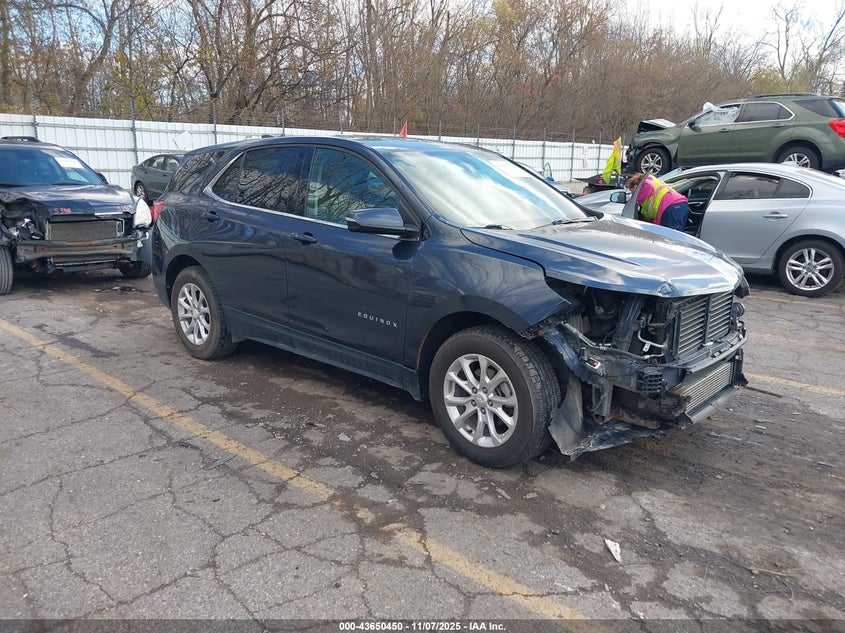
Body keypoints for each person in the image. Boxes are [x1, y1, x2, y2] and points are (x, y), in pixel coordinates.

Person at [625, 172, 690, 232]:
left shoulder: (646, 183)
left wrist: (637, 193)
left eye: (632, 191)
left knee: (671, 237)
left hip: (672, 207)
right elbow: (647, 213)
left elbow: (646, 190)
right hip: (678, 205)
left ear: (635, 186)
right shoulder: (651, 181)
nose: (633, 194)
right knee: (674, 234)